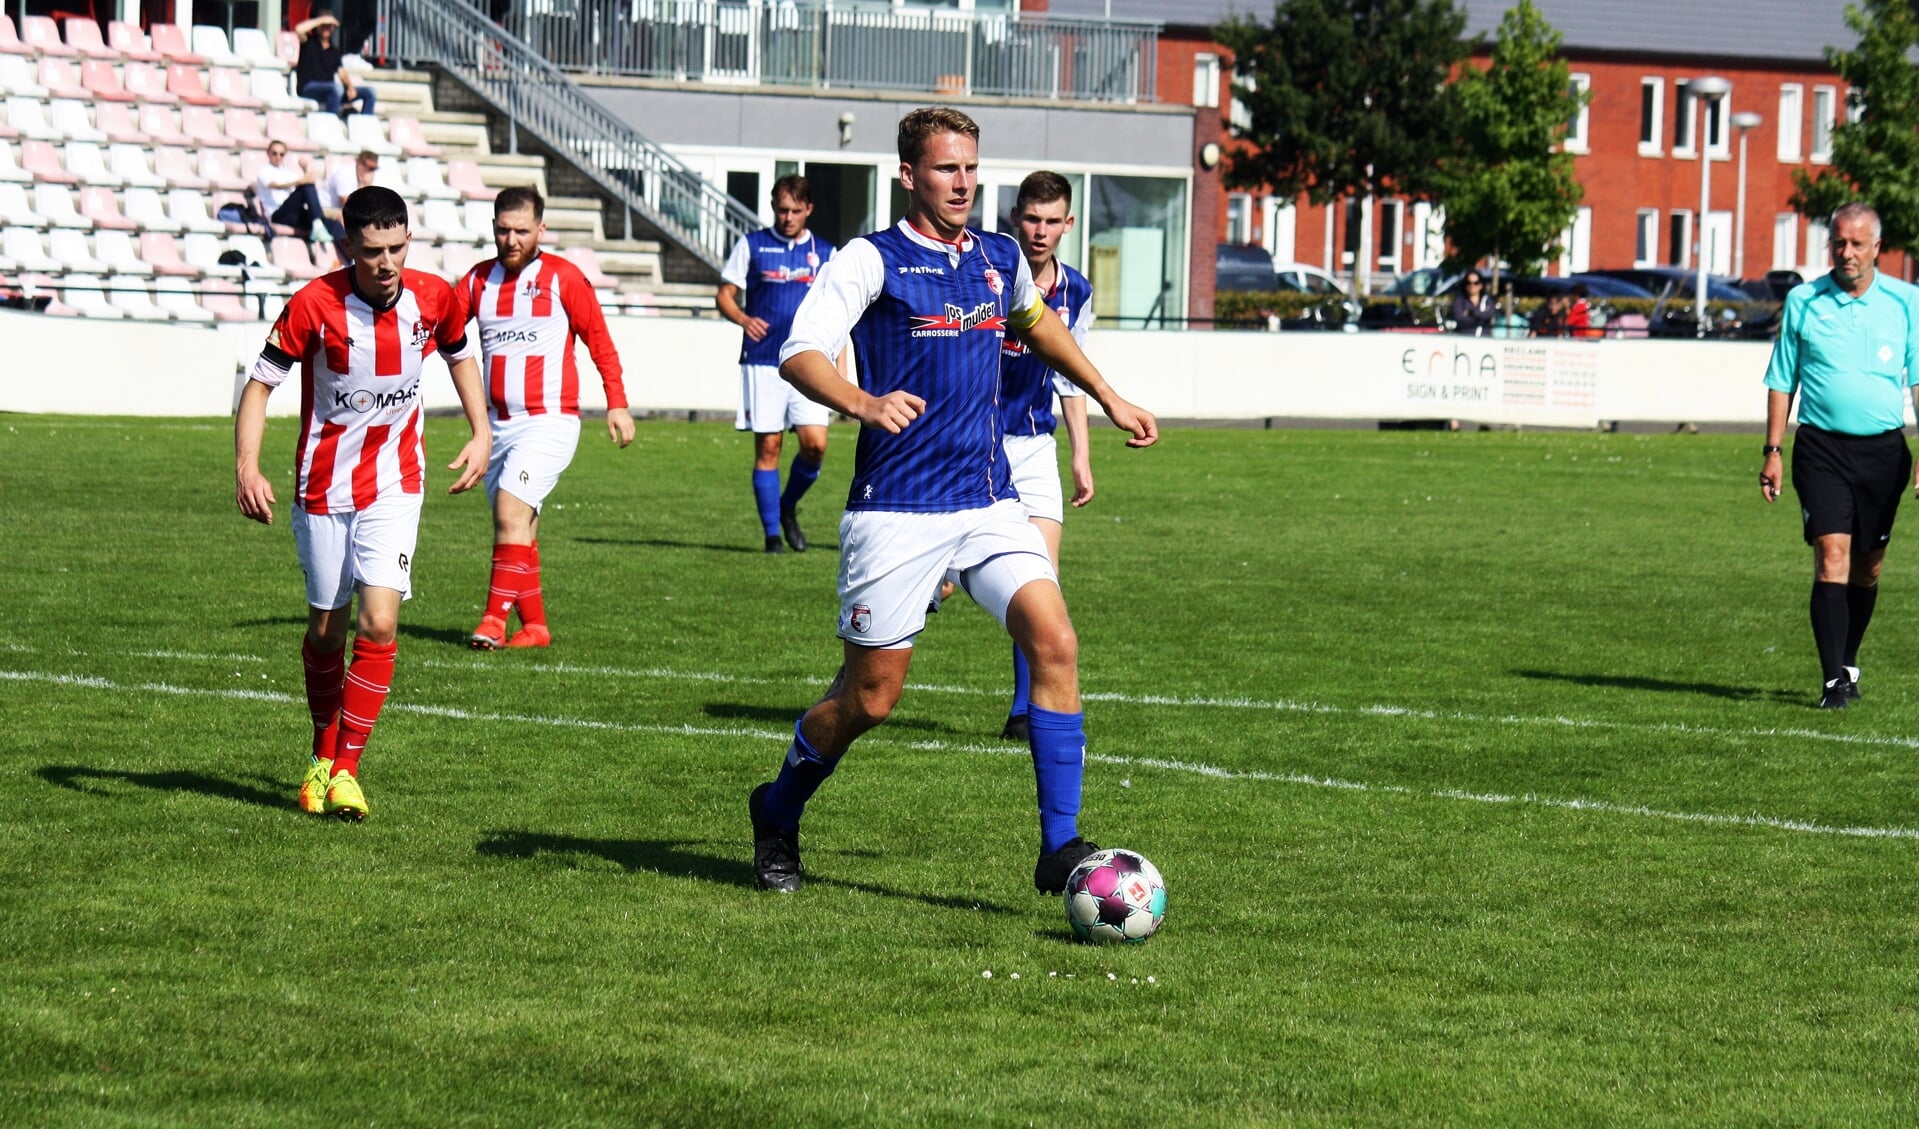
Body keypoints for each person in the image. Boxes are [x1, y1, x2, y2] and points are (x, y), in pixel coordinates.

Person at [746, 107, 1158, 895]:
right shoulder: (872, 260)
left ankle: (1058, 847)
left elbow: (1038, 325)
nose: (962, 181)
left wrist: (1105, 393)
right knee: (870, 697)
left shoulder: (997, 258)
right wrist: (862, 402)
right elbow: (798, 350)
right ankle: (777, 807)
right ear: (909, 175)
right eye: (945, 168)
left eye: (970, 167)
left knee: (1056, 641)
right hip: (896, 509)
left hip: (986, 498)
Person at [233, 185, 489, 820]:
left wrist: (482, 431)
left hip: (396, 482)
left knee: (379, 623)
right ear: (348, 246)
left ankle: (345, 767)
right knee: (327, 629)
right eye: (373, 251)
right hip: (322, 487)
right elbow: (260, 384)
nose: (387, 263)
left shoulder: (435, 296)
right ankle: (323, 752)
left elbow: (460, 354)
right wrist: (246, 465)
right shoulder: (312, 305)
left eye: (397, 248)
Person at [450, 187, 635, 650]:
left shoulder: (563, 278)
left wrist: (616, 400)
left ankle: (493, 620)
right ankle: (535, 628)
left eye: (521, 231)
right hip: (497, 427)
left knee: (509, 510)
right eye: (503, 230)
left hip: (549, 421)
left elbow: (599, 340)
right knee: (522, 526)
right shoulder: (477, 282)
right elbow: (443, 328)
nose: (511, 239)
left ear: (541, 230)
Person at [1760, 202, 1919, 709]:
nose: (1846, 253)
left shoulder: (1906, 302)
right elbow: (1782, 379)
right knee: (1832, 556)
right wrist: (1772, 450)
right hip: (1821, 448)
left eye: (1856, 244)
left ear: (1877, 247)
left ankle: (1847, 662)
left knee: (1868, 568)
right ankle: (1832, 682)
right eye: (1838, 243)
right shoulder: (1804, 301)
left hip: (1884, 454)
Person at [991, 169, 1095, 743]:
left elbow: (1071, 374)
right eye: (1032, 218)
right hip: (972, 443)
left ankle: (1024, 712)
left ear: (1068, 224)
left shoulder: (1075, 290)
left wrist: (1081, 454)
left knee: (1041, 581)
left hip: (1033, 447)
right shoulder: (986, 274)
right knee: (939, 584)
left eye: (1053, 221)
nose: (1041, 230)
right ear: (1016, 219)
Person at [717, 175, 841, 553]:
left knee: (815, 445)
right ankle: (772, 536)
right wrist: (742, 318)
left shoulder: (827, 253)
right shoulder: (752, 245)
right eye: (781, 210)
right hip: (763, 360)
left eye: (794, 210)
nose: (787, 217)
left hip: (810, 361)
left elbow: (839, 306)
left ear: (809, 210)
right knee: (769, 446)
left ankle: (787, 507)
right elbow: (724, 295)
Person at [295, 8, 376, 117]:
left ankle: (365, 125)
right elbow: (298, 29)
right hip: (309, 88)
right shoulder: (309, 42)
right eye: (324, 25)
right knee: (335, 88)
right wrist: (321, 20)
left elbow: (342, 73)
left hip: (331, 90)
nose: (326, 28)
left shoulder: (334, 51)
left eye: (329, 25)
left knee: (370, 92)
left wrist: (350, 88)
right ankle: (331, 124)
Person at [256, 140, 339, 244]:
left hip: (293, 213)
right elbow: (273, 185)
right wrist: (300, 181)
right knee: (305, 185)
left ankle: (350, 256)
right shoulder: (264, 171)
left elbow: (307, 186)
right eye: (274, 153)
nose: (278, 157)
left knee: (333, 224)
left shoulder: (288, 172)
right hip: (277, 214)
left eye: (281, 154)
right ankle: (317, 224)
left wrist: (305, 169)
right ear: (268, 153)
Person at [320, 150, 380, 228]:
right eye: (369, 168)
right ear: (359, 163)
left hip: (340, 211)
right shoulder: (345, 174)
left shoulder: (368, 178)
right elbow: (347, 204)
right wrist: (364, 186)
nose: (370, 171)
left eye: (373, 169)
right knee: (351, 217)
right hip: (325, 209)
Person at [1448, 270, 1495, 335]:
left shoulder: (1487, 300)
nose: (1472, 286)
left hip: (1483, 339)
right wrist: (1481, 316)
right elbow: (1459, 318)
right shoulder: (1459, 300)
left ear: (1481, 285)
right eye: (1468, 283)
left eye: (1476, 283)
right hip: (1464, 338)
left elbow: (1490, 314)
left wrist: (1470, 312)